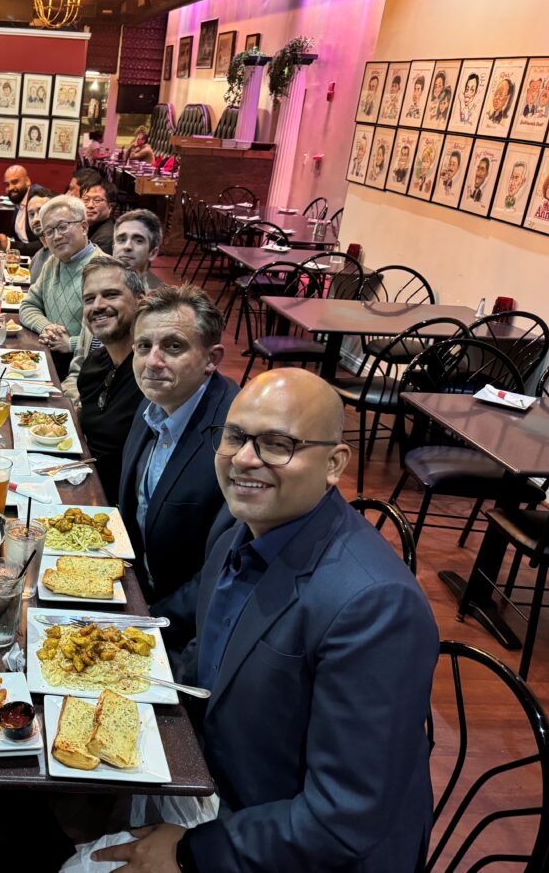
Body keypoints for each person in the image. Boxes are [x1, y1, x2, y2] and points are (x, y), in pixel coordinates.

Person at [95, 368, 438, 873]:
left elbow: (343, 819)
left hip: (285, 849)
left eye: (278, 444)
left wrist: (190, 851)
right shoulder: (242, 526)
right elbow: (209, 662)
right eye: (234, 437)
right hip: (213, 788)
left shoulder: (375, 606)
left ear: (334, 464)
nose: (245, 459)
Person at [118, 285, 237, 635]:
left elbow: (226, 567)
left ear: (212, 358)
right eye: (143, 347)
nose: (153, 362)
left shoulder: (234, 437)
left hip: (187, 628)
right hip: (134, 591)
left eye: (173, 346)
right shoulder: (154, 402)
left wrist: (149, 621)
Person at [66, 257, 147, 500]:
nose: (98, 306)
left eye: (111, 295)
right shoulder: (94, 364)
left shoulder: (151, 375)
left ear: (140, 300)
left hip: (117, 509)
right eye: (89, 299)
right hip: (80, 483)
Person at [64, 208, 162, 402]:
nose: (127, 247)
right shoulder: (96, 295)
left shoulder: (159, 311)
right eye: (121, 239)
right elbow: (78, 369)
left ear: (153, 252)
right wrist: (73, 404)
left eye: (138, 240)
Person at [20, 195, 108, 377]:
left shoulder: (104, 270)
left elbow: (109, 340)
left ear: (84, 227)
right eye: (49, 231)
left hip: (86, 371)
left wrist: (70, 343)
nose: (56, 236)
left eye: (62, 227)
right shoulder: (53, 263)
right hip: (50, 360)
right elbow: (28, 305)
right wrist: (46, 327)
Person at [82, 179, 117, 253]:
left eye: (97, 200)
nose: (90, 205)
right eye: (86, 199)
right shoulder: (86, 227)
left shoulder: (107, 238)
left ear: (110, 207)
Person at [4, 164, 35, 245]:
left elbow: (43, 245)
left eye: (15, 182)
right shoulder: (19, 199)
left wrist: (10, 246)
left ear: (27, 181)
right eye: (7, 185)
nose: (10, 188)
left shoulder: (38, 200)